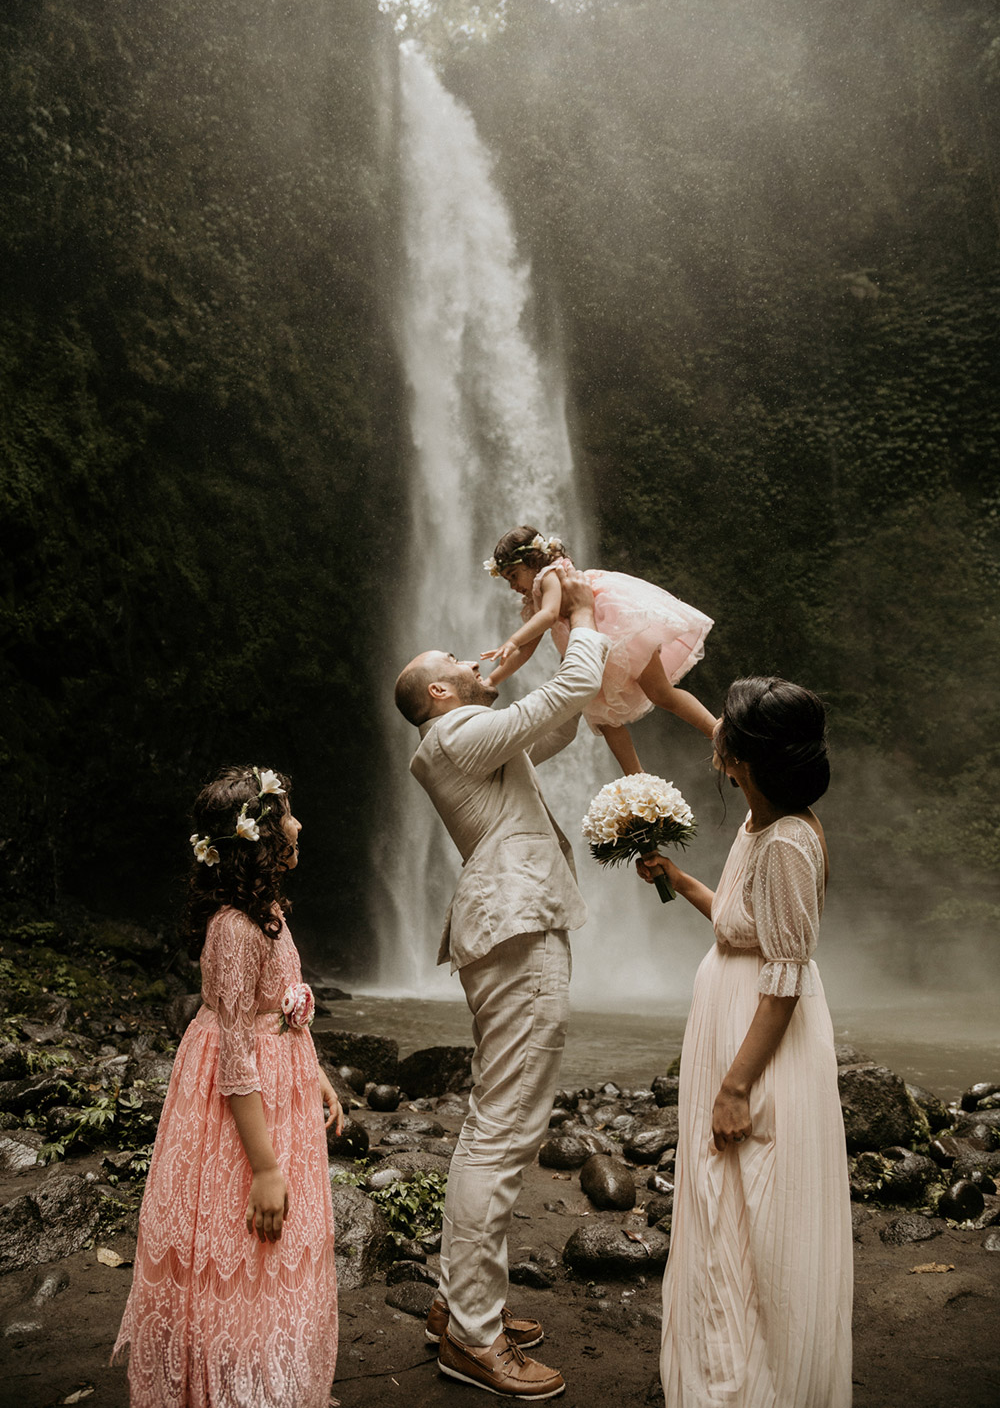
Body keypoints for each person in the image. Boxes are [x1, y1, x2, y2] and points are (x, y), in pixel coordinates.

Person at [394, 566, 610, 1401]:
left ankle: (461, 1308)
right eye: (458, 659)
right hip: (515, 924)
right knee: (505, 1128)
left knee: (499, 1119)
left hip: (514, 923)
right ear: (442, 691)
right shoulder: (452, 737)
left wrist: (545, 631)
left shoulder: (474, 736)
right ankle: (475, 1340)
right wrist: (580, 615)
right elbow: (564, 695)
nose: (474, 657)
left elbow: (561, 724)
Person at [638, 677, 852, 1408]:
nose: (716, 739)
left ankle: (754, 1385)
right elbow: (742, 922)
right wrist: (681, 879)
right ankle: (723, 1364)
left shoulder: (789, 840)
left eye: (725, 733)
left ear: (744, 761)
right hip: (734, 1025)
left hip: (761, 1045)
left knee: (754, 1206)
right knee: (722, 1198)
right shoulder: (762, 812)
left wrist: (736, 1086)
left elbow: (784, 979)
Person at [114, 765, 342, 1408]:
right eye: (287, 815)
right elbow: (238, 1056)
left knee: (268, 1248)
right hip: (244, 1099)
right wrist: (265, 1167)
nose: (299, 824)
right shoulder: (235, 930)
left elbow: (281, 1006)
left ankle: (267, 1376)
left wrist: (317, 1073)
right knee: (242, 1231)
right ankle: (229, 1386)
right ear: (260, 837)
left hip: (282, 1082)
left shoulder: (267, 912)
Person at [482, 525, 716, 776]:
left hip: (617, 632)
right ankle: (637, 778)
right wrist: (492, 679)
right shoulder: (535, 594)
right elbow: (527, 651)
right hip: (592, 653)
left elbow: (550, 615)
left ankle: (718, 731)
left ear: (531, 561)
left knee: (660, 692)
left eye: (513, 575)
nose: (512, 586)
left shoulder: (548, 576)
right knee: (605, 719)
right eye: (507, 580)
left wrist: (513, 640)